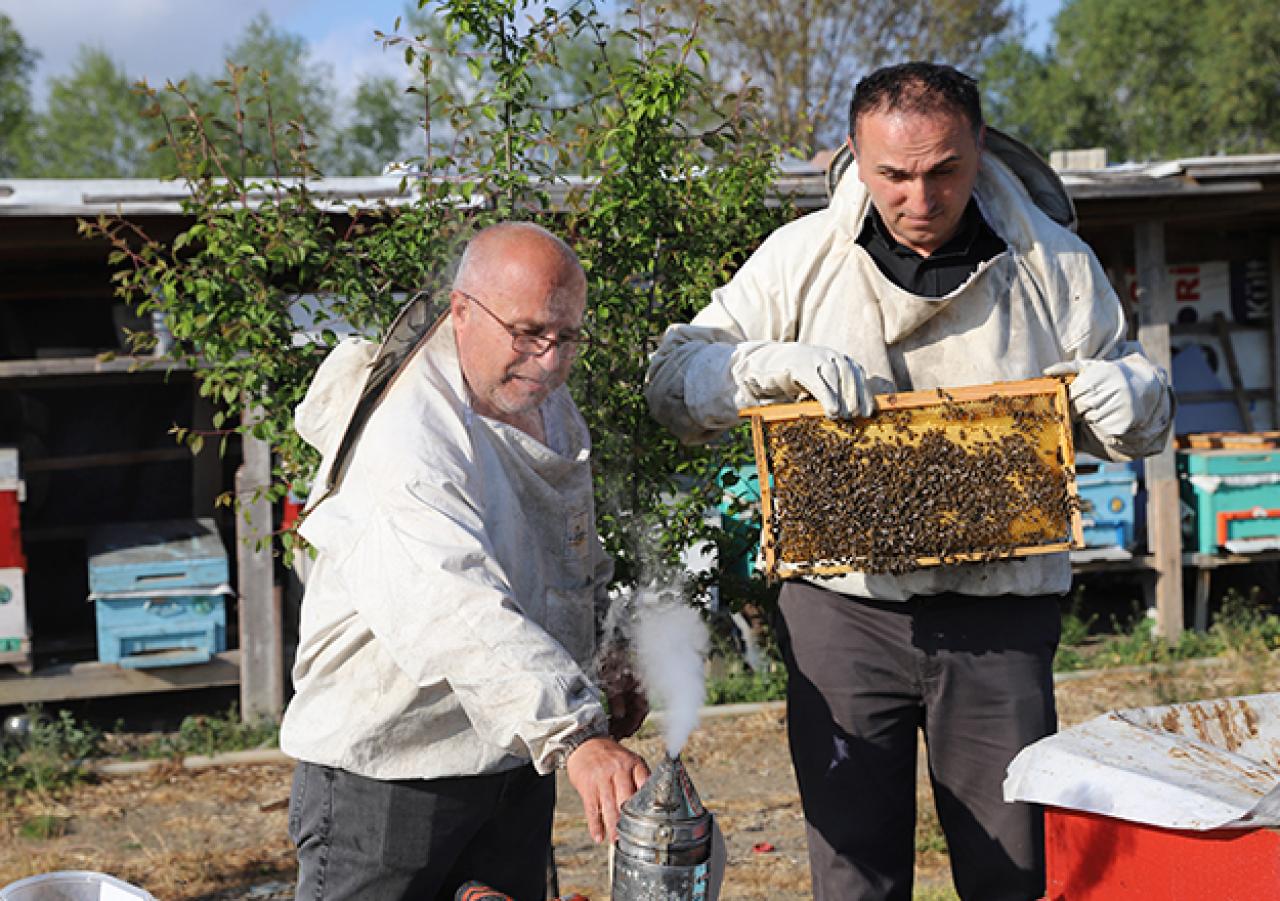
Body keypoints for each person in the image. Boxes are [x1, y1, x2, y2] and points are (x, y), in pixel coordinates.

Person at [645, 62, 1173, 900]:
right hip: (842, 613)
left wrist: (1133, 391)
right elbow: (673, 381)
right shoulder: (799, 259)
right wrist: (759, 365)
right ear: (854, 156)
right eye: (891, 174)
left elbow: (1139, 414)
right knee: (854, 872)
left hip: (998, 613)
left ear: (978, 149)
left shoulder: (1055, 264)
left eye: (943, 172)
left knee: (1015, 867)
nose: (919, 198)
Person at [281, 221, 650, 901]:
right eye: (528, 333)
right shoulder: (409, 432)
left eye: (565, 337)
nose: (546, 359)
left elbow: (566, 546)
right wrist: (573, 733)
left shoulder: (547, 402)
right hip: (390, 777)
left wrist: (603, 650)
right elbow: (457, 603)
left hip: (509, 757)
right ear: (460, 311)